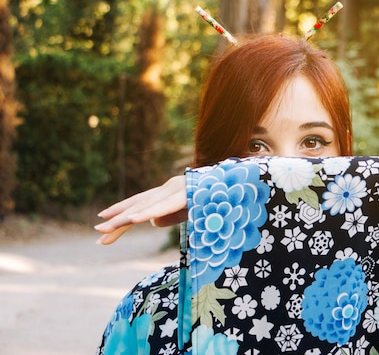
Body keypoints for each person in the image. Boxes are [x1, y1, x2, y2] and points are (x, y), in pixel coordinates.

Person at [95, 33, 354, 353]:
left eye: (313, 142)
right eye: (255, 146)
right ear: (214, 156)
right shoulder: (155, 310)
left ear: (346, 151)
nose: (288, 172)